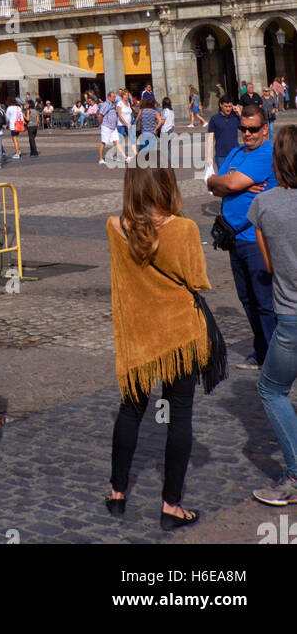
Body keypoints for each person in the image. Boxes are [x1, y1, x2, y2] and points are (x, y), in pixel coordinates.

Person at [106, 163, 210, 527]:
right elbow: (197, 281)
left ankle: (117, 494)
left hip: (138, 336)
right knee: (179, 416)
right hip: (179, 334)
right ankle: (171, 506)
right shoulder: (184, 229)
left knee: (130, 410)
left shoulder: (114, 227)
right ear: (167, 184)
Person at [206, 106, 276, 369]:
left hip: (257, 239)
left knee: (265, 300)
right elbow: (212, 186)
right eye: (243, 129)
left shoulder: (266, 153)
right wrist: (221, 182)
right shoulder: (236, 153)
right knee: (246, 298)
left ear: (265, 129)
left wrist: (227, 182)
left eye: (253, 129)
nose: (247, 133)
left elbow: (229, 185)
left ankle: (274, 357)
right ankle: (261, 350)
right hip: (234, 239)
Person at [248, 127, 297, 505]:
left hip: (291, 317)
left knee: (272, 389)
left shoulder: (263, 206)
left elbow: (267, 264)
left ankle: (296, 475)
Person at [205, 96, 241, 172]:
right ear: (220, 105)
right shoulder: (214, 119)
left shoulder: (236, 118)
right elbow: (210, 138)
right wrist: (209, 156)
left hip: (235, 153)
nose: (228, 109)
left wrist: (239, 113)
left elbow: (246, 128)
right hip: (221, 155)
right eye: (226, 106)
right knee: (223, 179)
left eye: (230, 106)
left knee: (236, 179)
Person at [98, 92, 125, 166]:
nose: (114, 98)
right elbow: (100, 115)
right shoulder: (106, 105)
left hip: (113, 126)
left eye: (115, 97)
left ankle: (114, 156)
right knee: (103, 142)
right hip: (106, 126)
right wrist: (100, 124)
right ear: (109, 97)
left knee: (116, 142)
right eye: (113, 97)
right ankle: (100, 159)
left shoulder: (114, 104)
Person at [136, 93, 163, 166]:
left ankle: (139, 161)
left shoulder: (143, 111)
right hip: (152, 133)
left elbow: (138, 118)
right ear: (153, 104)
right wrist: (156, 129)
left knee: (142, 148)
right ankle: (151, 163)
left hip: (144, 133)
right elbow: (160, 121)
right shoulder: (155, 112)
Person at [159, 97, 175, 167]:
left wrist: (157, 121)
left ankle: (165, 163)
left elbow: (162, 121)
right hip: (171, 130)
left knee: (164, 148)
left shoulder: (164, 111)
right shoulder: (171, 111)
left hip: (165, 130)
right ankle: (170, 163)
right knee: (169, 148)